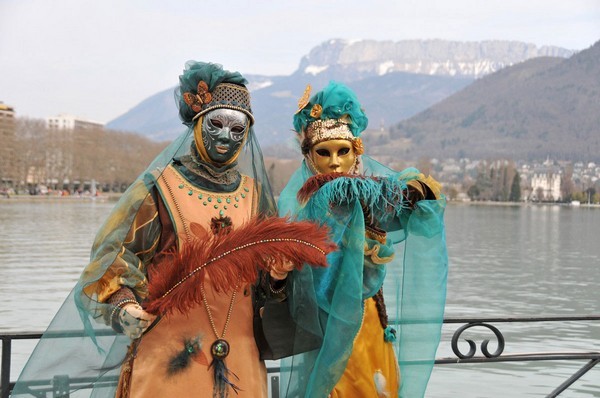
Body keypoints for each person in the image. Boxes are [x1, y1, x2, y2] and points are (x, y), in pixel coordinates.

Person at [12, 62, 333, 398]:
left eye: (238, 129)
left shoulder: (255, 196)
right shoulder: (157, 190)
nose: (226, 136)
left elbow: (263, 284)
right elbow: (114, 258)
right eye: (217, 124)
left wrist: (277, 275)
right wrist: (124, 306)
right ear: (197, 124)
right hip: (169, 361)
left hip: (241, 362)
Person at [277, 82, 448, 397]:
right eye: (323, 153)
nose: (334, 162)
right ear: (308, 155)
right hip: (326, 326)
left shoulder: (368, 194)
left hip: (370, 321)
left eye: (344, 151)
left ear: (357, 150)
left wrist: (407, 191)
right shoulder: (300, 203)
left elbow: (425, 198)